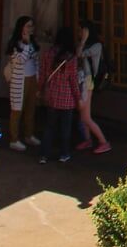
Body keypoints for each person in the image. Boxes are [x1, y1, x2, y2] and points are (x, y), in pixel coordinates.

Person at [37, 27, 80, 164]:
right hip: (67, 98)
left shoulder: (48, 53)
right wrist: (78, 98)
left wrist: (40, 89)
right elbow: (73, 80)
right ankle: (64, 154)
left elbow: (43, 74)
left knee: (49, 127)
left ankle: (43, 155)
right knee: (65, 128)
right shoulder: (71, 57)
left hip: (51, 96)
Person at [2, 18, 41, 153]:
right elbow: (20, 60)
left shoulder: (33, 44)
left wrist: (38, 80)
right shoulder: (15, 44)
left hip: (31, 79)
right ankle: (14, 139)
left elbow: (36, 62)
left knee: (31, 109)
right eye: (28, 26)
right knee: (17, 110)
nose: (30, 28)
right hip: (19, 80)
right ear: (21, 28)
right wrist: (25, 44)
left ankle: (28, 135)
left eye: (32, 26)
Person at [74, 20, 110, 154]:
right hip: (83, 80)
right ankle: (87, 139)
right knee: (83, 115)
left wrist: (83, 41)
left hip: (88, 82)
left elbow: (79, 54)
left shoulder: (96, 46)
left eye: (82, 30)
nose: (79, 33)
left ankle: (103, 142)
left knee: (85, 117)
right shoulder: (86, 45)